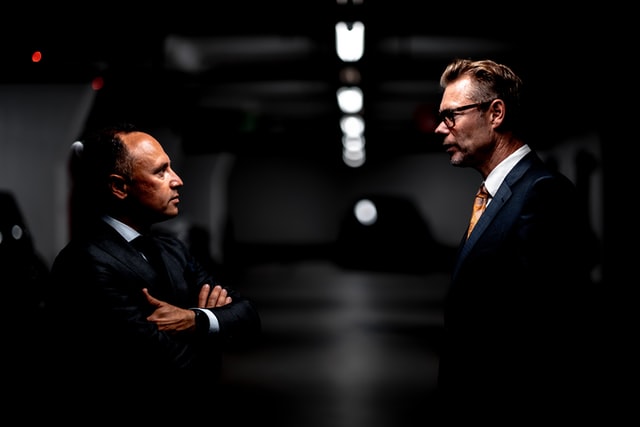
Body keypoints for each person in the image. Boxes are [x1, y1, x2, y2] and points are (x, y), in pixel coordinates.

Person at [42, 123, 261, 415]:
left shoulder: (173, 249)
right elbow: (167, 368)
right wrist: (213, 339)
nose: (178, 180)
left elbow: (248, 316)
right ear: (119, 187)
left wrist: (195, 320)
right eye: (161, 172)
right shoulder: (85, 263)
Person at [433, 59, 600, 423]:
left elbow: (549, 331)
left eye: (451, 116)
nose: (439, 128)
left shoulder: (542, 193)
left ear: (495, 113)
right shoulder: (495, 195)